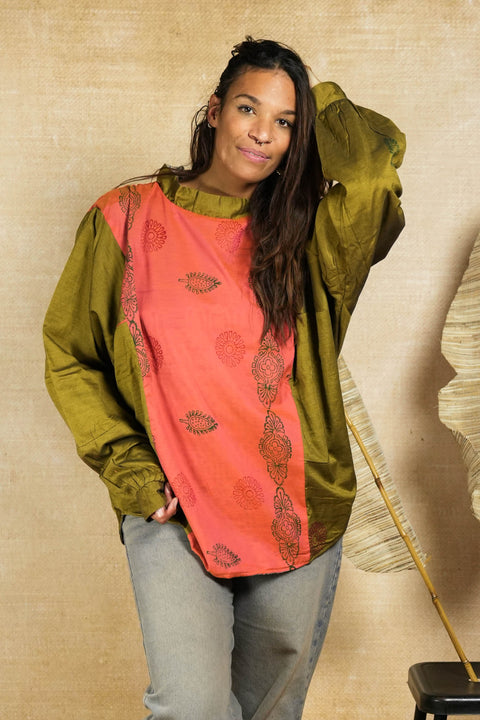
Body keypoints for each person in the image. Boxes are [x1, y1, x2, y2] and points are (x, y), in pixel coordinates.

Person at [43, 37, 405, 720]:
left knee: (270, 712)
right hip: (174, 508)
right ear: (214, 111)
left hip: (293, 508)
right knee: (191, 707)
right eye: (247, 108)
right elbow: (70, 353)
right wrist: (130, 469)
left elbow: (374, 181)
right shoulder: (124, 218)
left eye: (285, 121)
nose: (263, 133)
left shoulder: (312, 235)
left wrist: (317, 97)